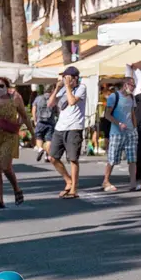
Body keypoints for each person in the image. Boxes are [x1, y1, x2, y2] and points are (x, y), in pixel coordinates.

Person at [0, 76, 34, 208]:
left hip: (9, 136)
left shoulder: (15, 98)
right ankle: (0, 200)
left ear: (7, 87)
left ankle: (17, 189)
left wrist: (32, 134)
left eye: (2, 86)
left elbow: (24, 115)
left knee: (5, 166)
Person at [48, 66, 88, 198]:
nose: (65, 79)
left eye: (67, 77)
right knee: (52, 157)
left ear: (74, 78)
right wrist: (58, 88)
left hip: (74, 127)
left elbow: (71, 102)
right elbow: (50, 104)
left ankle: (73, 189)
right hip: (60, 127)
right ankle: (68, 180)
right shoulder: (63, 89)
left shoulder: (81, 88)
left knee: (72, 159)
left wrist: (68, 87)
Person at [99, 77, 140, 192]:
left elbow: (132, 113)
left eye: (134, 86)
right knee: (112, 158)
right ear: (125, 85)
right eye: (132, 85)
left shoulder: (131, 97)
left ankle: (133, 183)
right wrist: (118, 123)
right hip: (117, 132)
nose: (133, 88)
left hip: (130, 132)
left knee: (132, 158)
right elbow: (107, 114)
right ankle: (106, 181)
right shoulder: (114, 97)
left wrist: (135, 128)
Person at [31, 85, 56, 162]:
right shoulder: (53, 99)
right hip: (50, 122)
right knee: (49, 140)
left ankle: (40, 149)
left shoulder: (38, 98)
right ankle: (47, 156)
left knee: (39, 137)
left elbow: (34, 109)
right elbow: (57, 110)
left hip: (40, 121)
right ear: (52, 90)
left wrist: (35, 120)